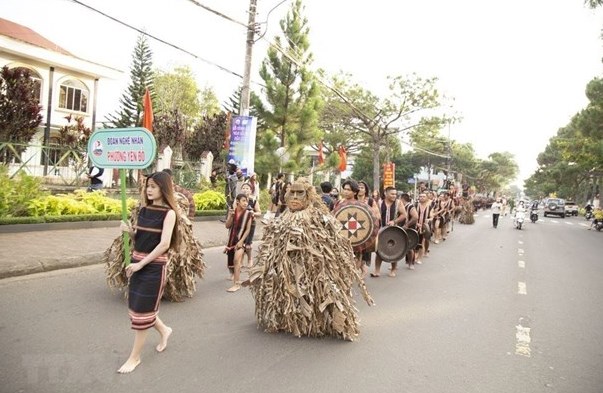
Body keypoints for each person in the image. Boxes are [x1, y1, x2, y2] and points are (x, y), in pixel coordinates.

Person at [245, 178, 373, 341]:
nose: (295, 197)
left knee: (311, 292)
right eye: (292, 193)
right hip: (285, 266)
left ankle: (316, 322)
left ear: (309, 196)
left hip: (310, 266)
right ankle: (288, 319)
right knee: (286, 290)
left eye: (300, 193)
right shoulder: (283, 217)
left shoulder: (317, 218)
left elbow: (332, 243)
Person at [116, 171, 178, 374]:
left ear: (163, 188)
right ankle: (164, 330)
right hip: (137, 263)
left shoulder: (170, 213)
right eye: (147, 186)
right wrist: (130, 232)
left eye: (153, 186)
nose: (149, 190)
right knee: (139, 308)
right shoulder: (144, 210)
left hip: (153, 268)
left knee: (142, 312)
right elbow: (141, 239)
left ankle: (135, 357)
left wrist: (141, 264)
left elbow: (164, 245)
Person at [371, 186, 407, 278]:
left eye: (395, 194)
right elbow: (374, 215)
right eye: (392, 194)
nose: (394, 196)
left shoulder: (398, 203)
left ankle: (393, 269)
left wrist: (394, 221)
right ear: (385, 194)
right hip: (381, 230)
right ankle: (377, 270)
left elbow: (404, 215)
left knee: (394, 250)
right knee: (378, 250)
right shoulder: (379, 202)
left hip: (394, 230)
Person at [224, 193, 254, 292]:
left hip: (242, 241)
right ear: (237, 202)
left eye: (246, 201)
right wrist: (230, 217)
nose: (246, 203)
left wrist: (241, 241)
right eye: (243, 201)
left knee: (237, 260)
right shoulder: (233, 212)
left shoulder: (248, 214)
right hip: (232, 241)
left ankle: (236, 284)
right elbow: (227, 226)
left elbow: (248, 230)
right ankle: (237, 278)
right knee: (231, 263)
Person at [241, 182, 261, 267]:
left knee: (248, 245)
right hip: (240, 224)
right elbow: (234, 210)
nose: (245, 190)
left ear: (251, 190)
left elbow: (259, 212)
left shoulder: (253, 200)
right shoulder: (237, 200)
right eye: (244, 188)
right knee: (240, 244)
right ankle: (240, 261)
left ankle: (250, 259)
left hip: (251, 224)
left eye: (247, 188)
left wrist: (253, 213)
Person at [399, 193, 419, 270]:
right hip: (400, 229)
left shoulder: (410, 206)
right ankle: (394, 265)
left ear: (402, 199)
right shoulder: (401, 206)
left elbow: (415, 217)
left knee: (410, 248)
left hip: (409, 230)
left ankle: (411, 263)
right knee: (398, 246)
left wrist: (407, 225)